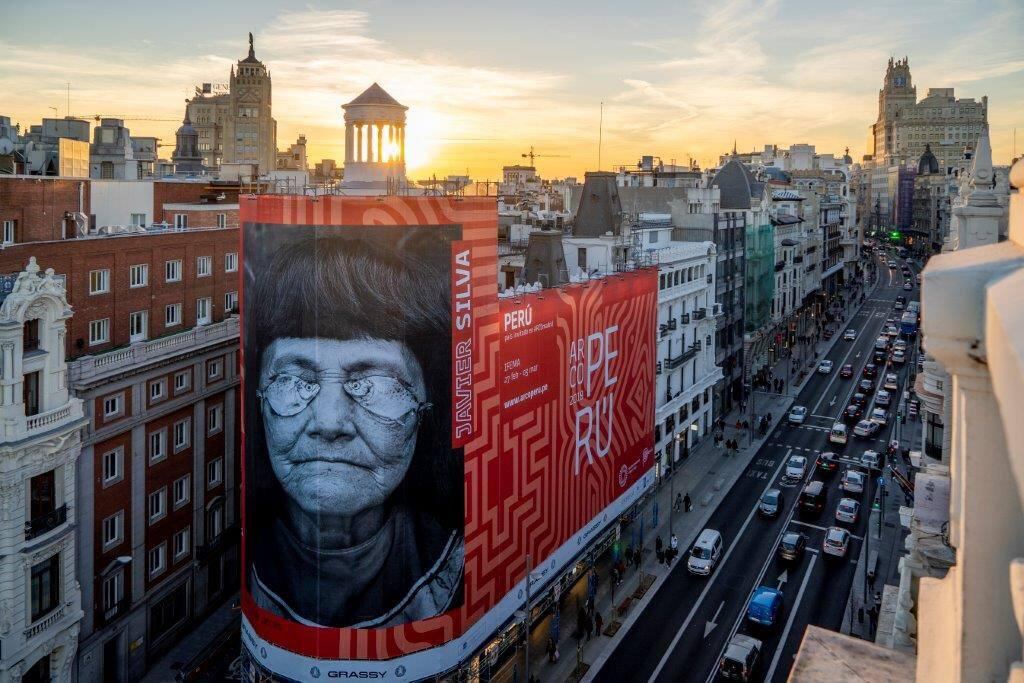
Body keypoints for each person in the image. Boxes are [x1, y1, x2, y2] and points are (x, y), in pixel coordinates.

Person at [245, 229, 464, 628]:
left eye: (376, 386)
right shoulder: (248, 559)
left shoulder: (461, 568)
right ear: (259, 400)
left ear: (426, 410)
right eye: (294, 381)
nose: (329, 423)